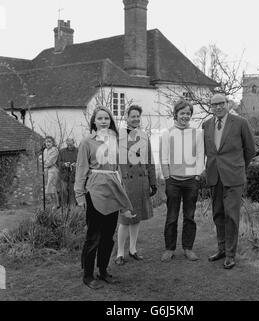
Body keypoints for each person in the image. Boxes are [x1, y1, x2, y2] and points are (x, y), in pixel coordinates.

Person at [74, 106, 135, 290]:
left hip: (113, 191)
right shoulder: (87, 142)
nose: (103, 121)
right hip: (95, 190)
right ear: (94, 121)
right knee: (94, 236)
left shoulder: (115, 140)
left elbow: (118, 168)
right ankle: (88, 274)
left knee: (108, 236)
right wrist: (80, 195)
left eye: (106, 118)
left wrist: (122, 191)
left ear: (111, 121)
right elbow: (81, 170)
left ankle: (103, 271)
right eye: (100, 118)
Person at [202, 93, 256, 269]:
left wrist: (239, 167)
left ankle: (231, 255)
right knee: (218, 213)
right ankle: (222, 249)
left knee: (231, 216)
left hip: (234, 177)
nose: (218, 107)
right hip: (214, 176)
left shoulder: (240, 123)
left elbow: (250, 150)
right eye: (214, 104)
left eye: (221, 103)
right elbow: (209, 151)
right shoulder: (207, 125)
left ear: (228, 104)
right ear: (211, 107)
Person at [160, 99, 205, 262]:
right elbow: (163, 157)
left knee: (189, 216)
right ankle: (169, 248)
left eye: (188, 113)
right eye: (182, 113)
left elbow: (201, 155)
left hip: (191, 181)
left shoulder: (197, 133)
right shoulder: (167, 133)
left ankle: (188, 248)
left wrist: (198, 175)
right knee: (172, 216)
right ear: (176, 114)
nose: (185, 116)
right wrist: (167, 176)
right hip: (173, 180)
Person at [115, 105, 157, 265]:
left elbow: (150, 161)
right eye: (133, 116)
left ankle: (132, 249)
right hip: (126, 181)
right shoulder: (118, 136)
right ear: (126, 117)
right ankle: (120, 253)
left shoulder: (144, 136)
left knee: (137, 216)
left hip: (141, 181)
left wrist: (153, 183)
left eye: (138, 116)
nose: (136, 119)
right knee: (125, 219)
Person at [57, 138, 78, 208]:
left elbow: (82, 161)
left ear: (73, 142)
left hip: (74, 174)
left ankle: (73, 206)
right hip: (64, 174)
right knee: (64, 190)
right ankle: (64, 206)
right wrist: (64, 164)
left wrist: (76, 164)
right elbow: (58, 162)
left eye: (71, 144)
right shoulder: (62, 151)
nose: (70, 146)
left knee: (73, 191)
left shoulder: (78, 151)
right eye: (68, 144)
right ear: (66, 143)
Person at [43, 136, 60, 210]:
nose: (48, 143)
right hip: (47, 170)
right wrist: (44, 162)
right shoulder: (45, 151)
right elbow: (42, 159)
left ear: (52, 143)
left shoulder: (54, 150)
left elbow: (50, 162)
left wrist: (44, 162)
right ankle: (56, 204)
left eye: (50, 141)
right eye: (47, 142)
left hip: (53, 170)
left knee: (51, 187)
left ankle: (55, 204)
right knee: (50, 188)